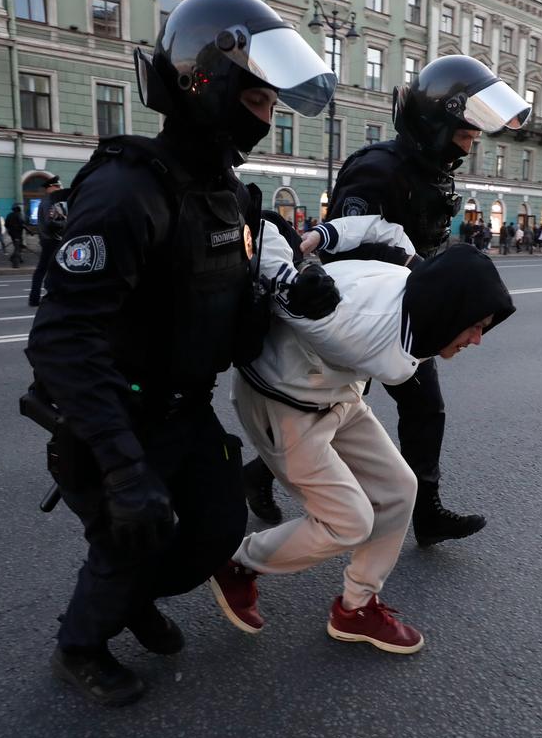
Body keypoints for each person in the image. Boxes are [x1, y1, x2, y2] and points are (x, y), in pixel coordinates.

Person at [24, 0, 336, 707]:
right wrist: (122, 465)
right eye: (255, 100)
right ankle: (81, 644)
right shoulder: (128, 191)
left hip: (184, 406)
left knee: (214, 528)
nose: (266, 119)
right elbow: (62, 339)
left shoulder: (223, 192)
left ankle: (133, 596)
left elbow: (223, 309)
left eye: (271, 104)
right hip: (116, 412)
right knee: (131, 533)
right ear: (206, 84)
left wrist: (291, 298)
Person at [242, 54, 530, 547]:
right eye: (465, 135)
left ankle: (419, 507)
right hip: (374, 315)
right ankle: (414, 508)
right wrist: (417, 274)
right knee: (365, 407)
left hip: (412, 309)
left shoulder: (430, 167)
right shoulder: (378, 171)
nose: (470, 144)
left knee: (374, 408)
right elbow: (352, 248)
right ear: (436, 125)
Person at [211, 213, 515, 654]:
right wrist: (291, 264)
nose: (477, 339)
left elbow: (384, 229)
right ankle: (238, 563)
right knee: (348, 522)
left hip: (336, 395)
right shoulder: (352, 326)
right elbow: (263, 242)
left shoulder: (415, 277)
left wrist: (321, 235)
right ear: (450, 311)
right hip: (283, 404)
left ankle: (355, 608)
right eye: (474, 325)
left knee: (399, 489)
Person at [28, 177, 67, 306]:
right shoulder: (49, 202)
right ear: (51, 187)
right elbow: (50, 223)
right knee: (49, 269)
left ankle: (39, 297)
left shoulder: (49, 201)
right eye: (58, 187)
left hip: (49, 239)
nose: (59, 189)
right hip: (52, 240)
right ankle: (41, 297)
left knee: (49, 269)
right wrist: (66, 223)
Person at [5, 203, 26, 268]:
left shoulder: (9, 215)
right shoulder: (19, 215)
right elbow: (22, 224)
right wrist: (30, 231)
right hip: (18, 234)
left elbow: (6, 224)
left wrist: (10, 229)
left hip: (12, 234)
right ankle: (15, 263)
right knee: (17, 248)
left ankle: (18, 258)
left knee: (18, 247)